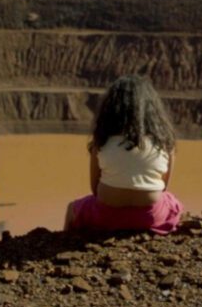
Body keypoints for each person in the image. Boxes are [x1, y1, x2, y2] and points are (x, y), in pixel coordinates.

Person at [64, 75, 182, 235]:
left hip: (106, 217)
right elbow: (164, 187)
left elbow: (95, 189)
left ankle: (65, 242)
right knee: (173, 204)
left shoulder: (101, 142)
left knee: (72, 208)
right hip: (150, 217)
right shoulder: (165, 143)